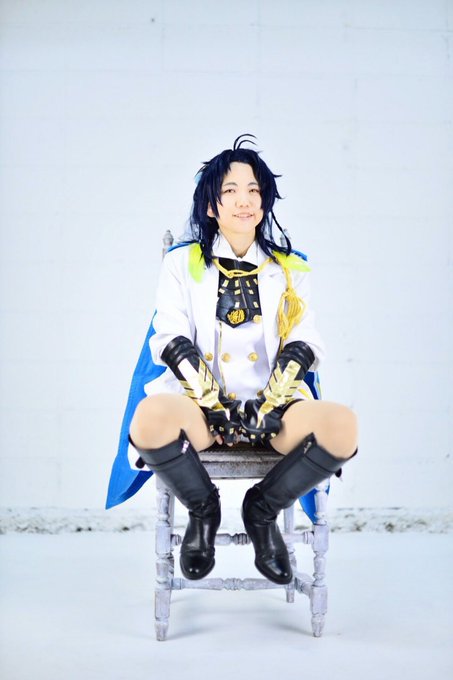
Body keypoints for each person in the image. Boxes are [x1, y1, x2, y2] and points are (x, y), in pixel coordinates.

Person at [109, 134, 358, 586]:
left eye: (253, 190)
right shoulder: (180, 264)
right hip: (201, 408)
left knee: (343, 426)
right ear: (211, 206)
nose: (244, 200)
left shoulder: (290, 267)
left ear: (265, 201)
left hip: (274, 411)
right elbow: (169, 337)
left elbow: (305, 341)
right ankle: (203, 509)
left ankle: (262, 510)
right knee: (148, 418)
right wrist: (213, 404)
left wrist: (270, 406)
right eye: (230, 190)